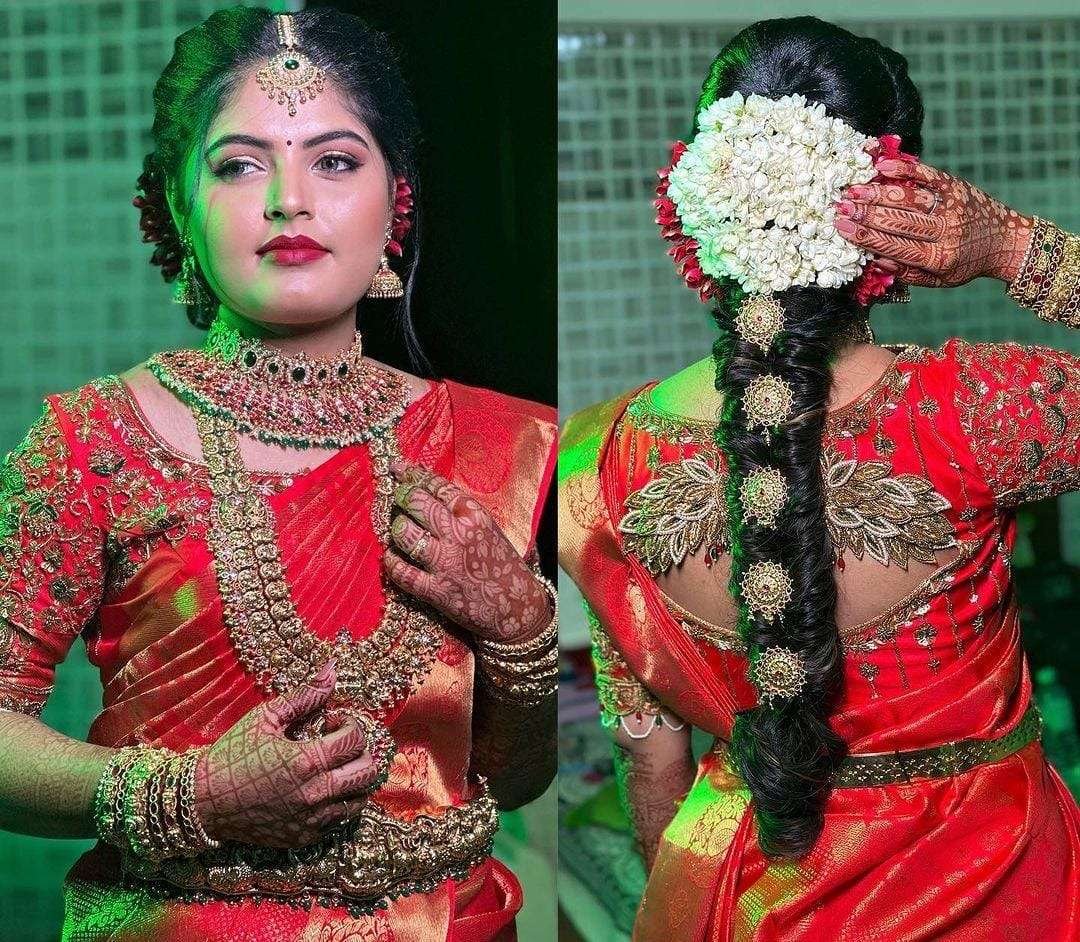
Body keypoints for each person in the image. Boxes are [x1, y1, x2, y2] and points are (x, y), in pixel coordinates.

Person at [0, 8, 557, 940]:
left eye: (334, 161)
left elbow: (515, 777)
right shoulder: (93, 441)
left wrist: (522, 631)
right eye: (239, 165)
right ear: (178, 203)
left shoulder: (507, 442)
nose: (289, 200)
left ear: (396, 201)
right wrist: (191, 797)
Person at [558, 16, 1079, 940]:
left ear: (693, 203)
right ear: (894, 210)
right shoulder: (979, 413)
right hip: (992, 885)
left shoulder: (596, 459)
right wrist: (1009, 247)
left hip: (748, 897)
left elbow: (651, 763)